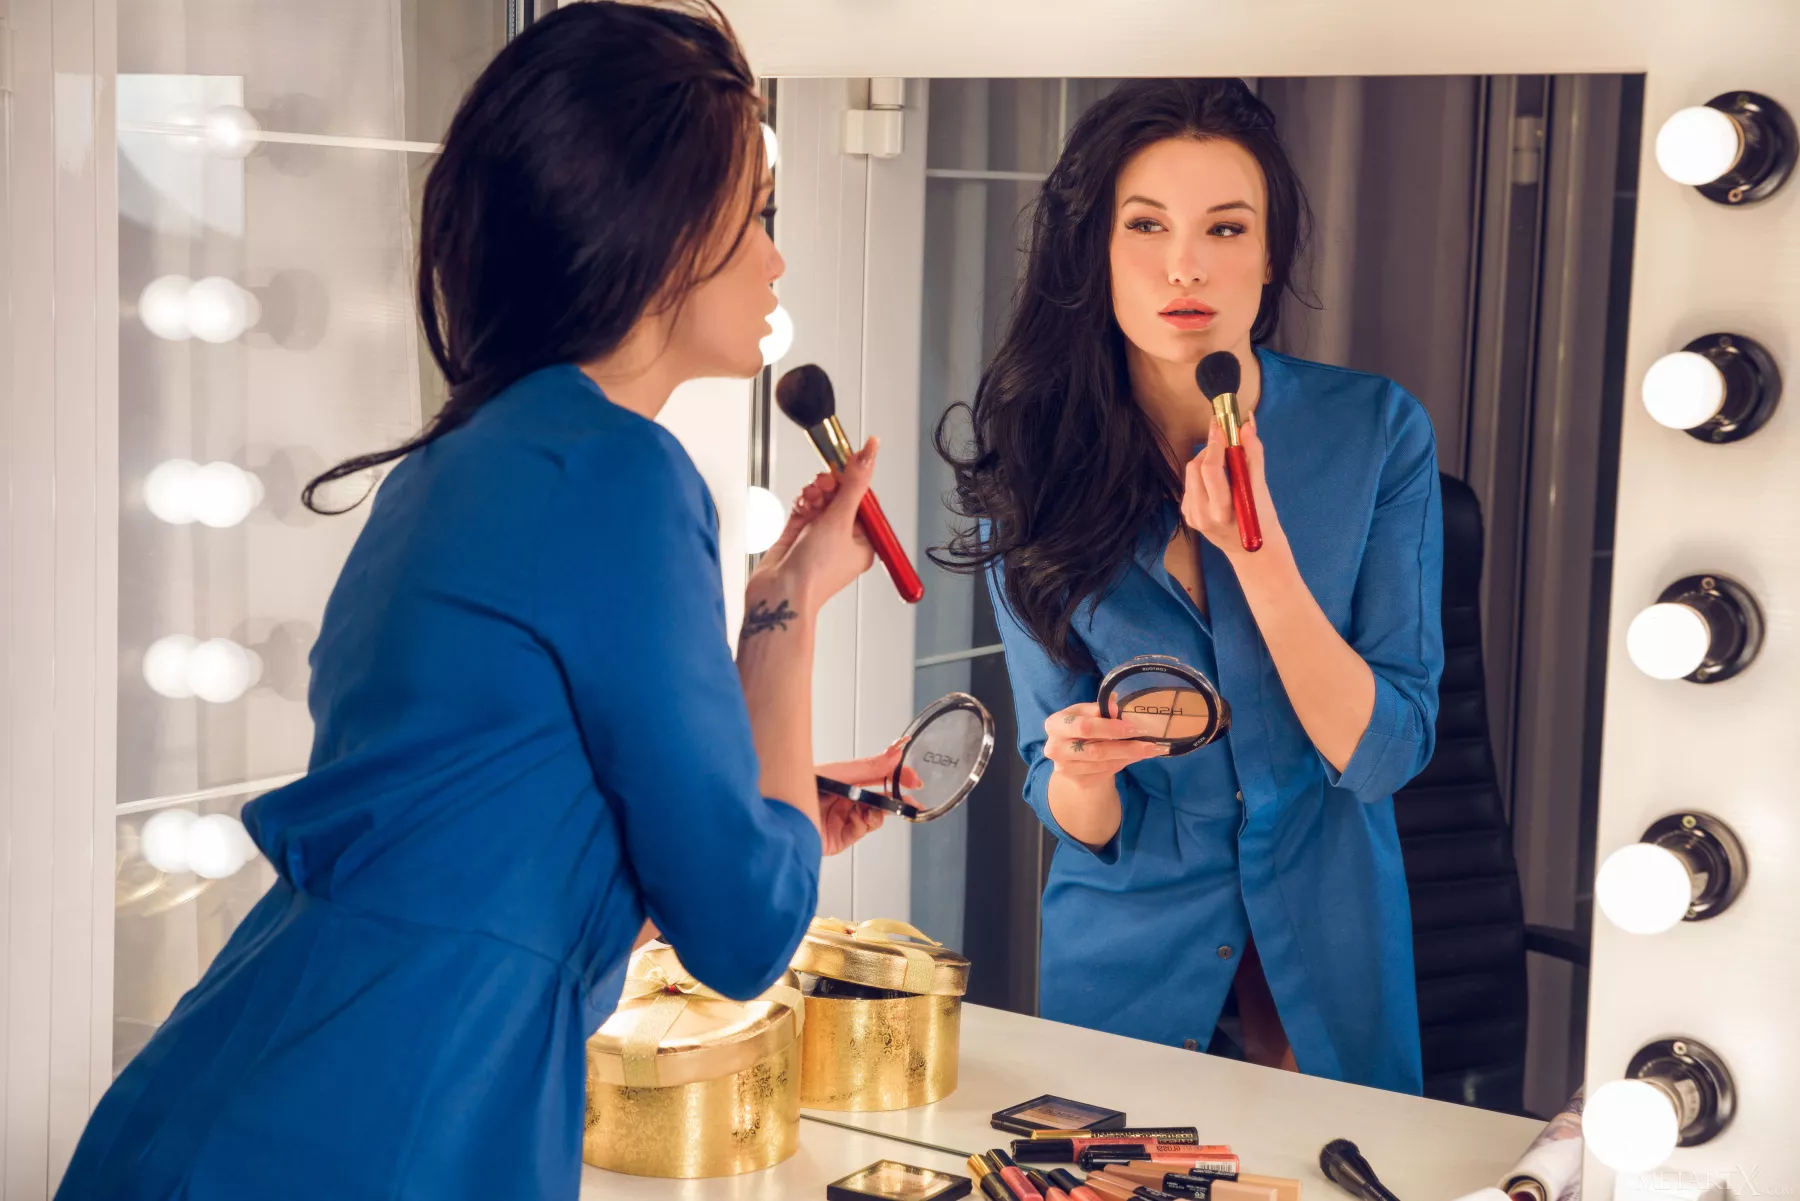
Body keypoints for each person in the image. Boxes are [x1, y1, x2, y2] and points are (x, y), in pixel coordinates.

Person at [59, 5, 891, 1198]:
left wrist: (765, 801)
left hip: (239, 1089)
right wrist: (790, 609)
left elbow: (474, 851)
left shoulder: (456, 463)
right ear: (663, 230)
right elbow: (745, 931)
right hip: (391, 1124)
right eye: (759, 214)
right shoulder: (621, 473)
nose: (776, 257)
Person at [935, 78, 1443, 1094]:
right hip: (1125, 974)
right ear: (1095, 247)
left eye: (1225, 227)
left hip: (1333, 959)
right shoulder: (1031, 473)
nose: (1185, 265)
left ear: (1271, 253)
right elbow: (1068, 802)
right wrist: (1081, 773)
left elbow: (1385, 753)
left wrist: (1262, 556)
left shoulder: (1376, 432)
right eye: (1146, 225)